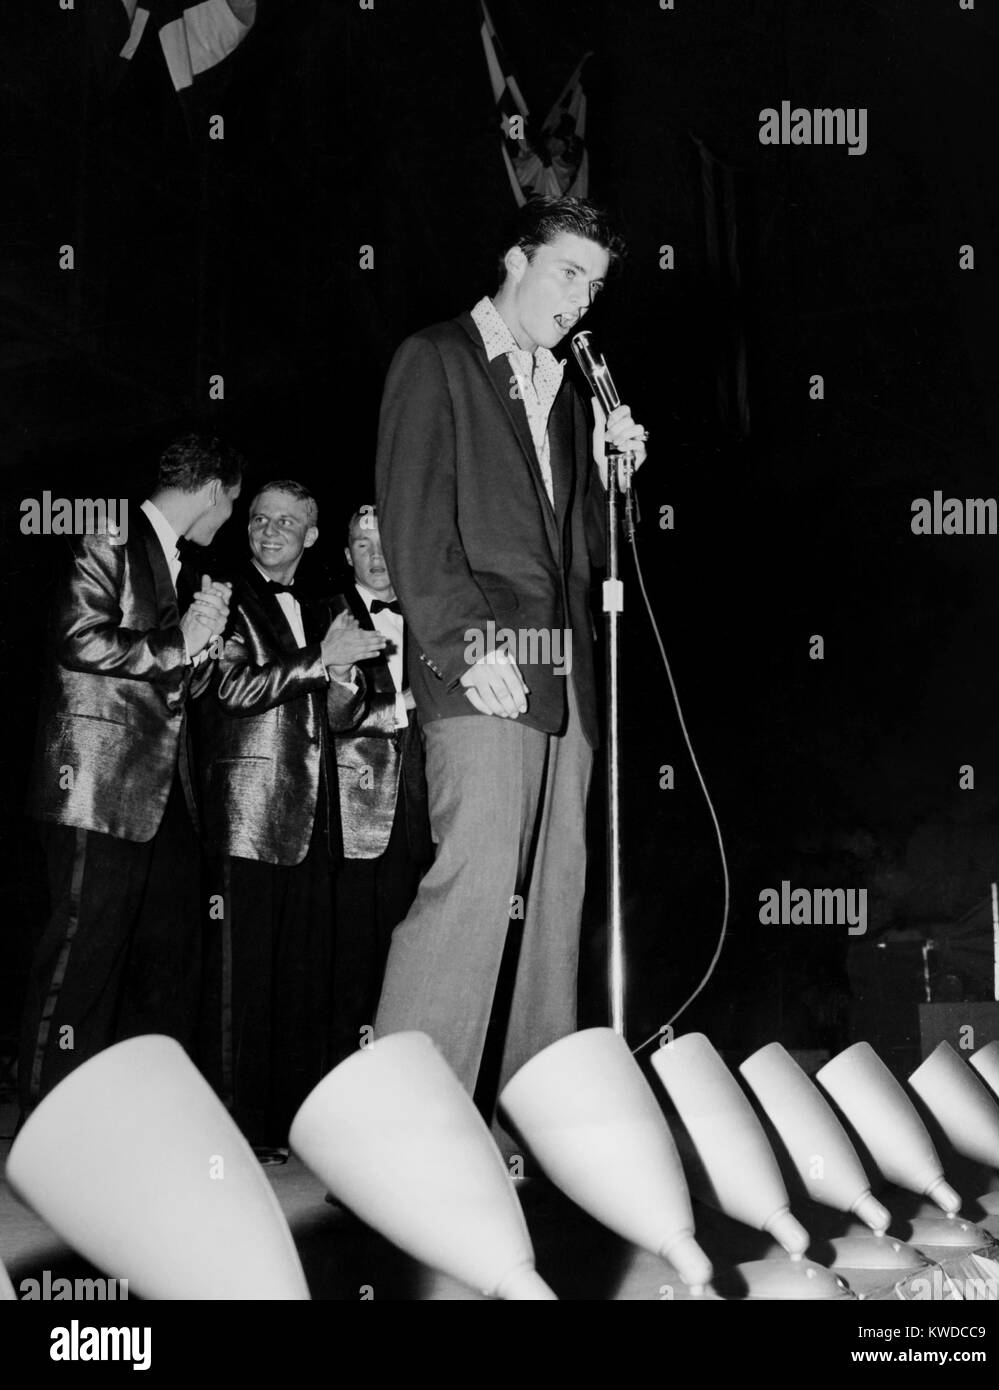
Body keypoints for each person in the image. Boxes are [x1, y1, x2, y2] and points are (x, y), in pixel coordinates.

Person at [373, 195, 647, 1130]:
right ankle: (410, 1129)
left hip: (566, 686)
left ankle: (535, 1131)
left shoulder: (570, 397)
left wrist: (616, 482)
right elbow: (416, 520)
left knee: (556, 908)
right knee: (476, 889)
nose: (581, 300)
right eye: (569, 272)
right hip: (483, 665)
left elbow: (587, 562)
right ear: (515, 260)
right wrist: (462, 647)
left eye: (596, 286)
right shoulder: (437, 358)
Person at [21, 433, 243, 1110]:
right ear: (212, 490)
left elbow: (157, 668)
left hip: (151, 791)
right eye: (232, 502)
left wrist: (201, 654)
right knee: (82, 956)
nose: (229, 518)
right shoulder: (108, 532)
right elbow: (79, 636)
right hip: (94, 784)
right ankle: (46, 1120)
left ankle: (118, 1112)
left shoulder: (170, 562)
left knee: (142, 955)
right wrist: (183, 641)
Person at [198, 480, 386, 1157]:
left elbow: (342, 716)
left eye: (289, 522)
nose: (270, 531)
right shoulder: (220, 595)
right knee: (241, 984)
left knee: (301, 979)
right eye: (260, 518)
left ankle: (290, 1128)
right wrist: (319, 663)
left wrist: (338, 683)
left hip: (316, 819)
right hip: (248, 815)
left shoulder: (326, 605)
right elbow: (232, 689)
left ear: (312, 536)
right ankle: (235, 1133)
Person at [327, 506, 432, 1063]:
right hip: (351, 813)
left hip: (420, 813)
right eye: (362, 545)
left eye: (386, 543)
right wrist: (402, 706)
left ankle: (400, 1073)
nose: (376, 556)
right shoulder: (329, 616)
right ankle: (346, 1081)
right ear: (347, 556)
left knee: (408, 950)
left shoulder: (432, 615)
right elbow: (330, 712)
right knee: (349, 959)